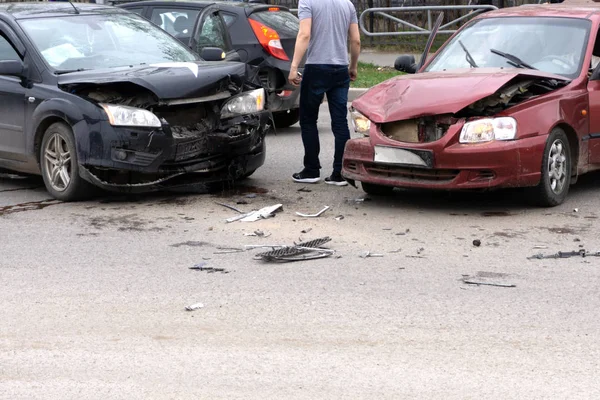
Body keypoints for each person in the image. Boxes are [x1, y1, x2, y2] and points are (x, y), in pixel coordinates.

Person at [288, 0, 361, 186]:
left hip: (316, 68)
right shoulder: (348, 4)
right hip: (340, 69)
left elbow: (304, 34)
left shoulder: (307, 2)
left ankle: (311, 170)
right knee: (340, 122)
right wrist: (352, 66)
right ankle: (340, 172)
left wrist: (294, 66)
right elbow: (355, 40)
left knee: (308, 119)